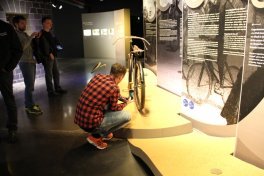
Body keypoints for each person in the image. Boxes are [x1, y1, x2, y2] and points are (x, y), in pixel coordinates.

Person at [74, 63, 132, 150]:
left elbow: (112, 94)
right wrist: (126, 103)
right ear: (120, 77)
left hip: (80, 119)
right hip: (90, 124)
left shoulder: (98, 76)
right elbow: (114, 108)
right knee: (127, 116)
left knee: (106, 105)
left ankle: (102, 133)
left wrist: (124, 99)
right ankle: (96, 137)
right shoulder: (114, 88)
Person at [12, 15, 43, 116]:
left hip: (31, 61)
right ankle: (29, 106)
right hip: (25, 62)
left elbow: (30, 47)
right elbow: (22, 47)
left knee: (31, 85)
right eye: (22, 23)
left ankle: (30, 104)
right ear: (16, 24)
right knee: (29, 85)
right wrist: (30, 37)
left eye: (25, 23)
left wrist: (34, 38)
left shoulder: (24, 34)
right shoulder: (15, 34)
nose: (24, 24)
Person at [0, 19, 23, 143]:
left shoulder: (6, 28)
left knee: (9, 99)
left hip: (4, 73)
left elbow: (18, 50)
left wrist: (7, 68)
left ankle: (12, 128)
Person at [39, 16, 67, 97]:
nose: (50, 24)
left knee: (56, 73)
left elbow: (55, 43)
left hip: (53, 56)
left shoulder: (50, 33)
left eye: (51, 23)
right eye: (48, 23)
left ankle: (57, 88)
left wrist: (58, 48)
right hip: (48, 57)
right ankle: (50, 92)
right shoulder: (41, 34)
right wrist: (49, 53)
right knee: (49, 74)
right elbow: (43, 46)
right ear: (43, 23)